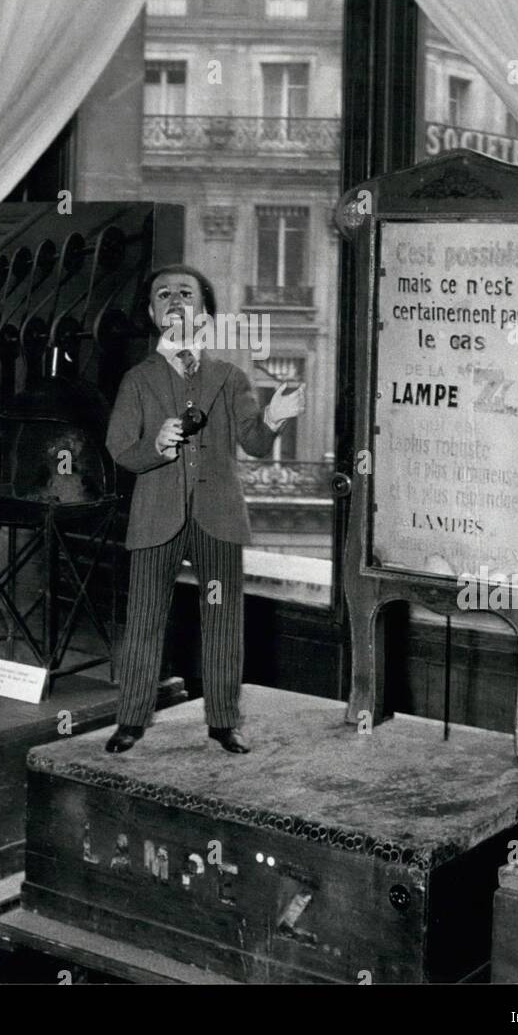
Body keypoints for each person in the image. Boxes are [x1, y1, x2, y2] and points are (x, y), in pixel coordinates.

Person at [105, 265, 305, 754]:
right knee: (146, 618)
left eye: (186, 294)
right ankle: (131, 719)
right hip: (156, 516)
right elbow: (118, 448)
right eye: (163, 295)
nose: (175, 300)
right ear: (152, 313)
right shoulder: (138, 379)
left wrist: (274, 417)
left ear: (205, 312)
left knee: (222, 618)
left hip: (218, 515)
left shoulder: (229, 376)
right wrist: (155, 446)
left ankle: (222, 721)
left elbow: (255, 444)